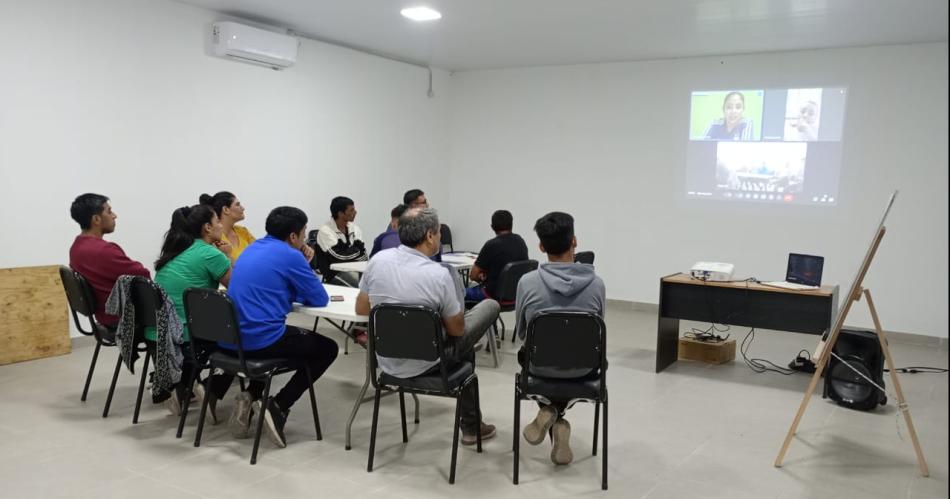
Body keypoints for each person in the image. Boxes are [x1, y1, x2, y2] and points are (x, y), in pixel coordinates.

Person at [356, 208, 500, 446]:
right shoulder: (439, 275)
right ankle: (472, 426)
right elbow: (456, 331)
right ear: (431, 236)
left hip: (386, 362)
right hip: (431, 362)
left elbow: (362, 310)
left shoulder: (377, 261)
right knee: (489, 307)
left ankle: (473, 425)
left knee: (461, 343)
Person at [223, 206, 338, 447]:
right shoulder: (290, 255)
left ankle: (251, 394)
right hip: (260, 341)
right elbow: (319, 298)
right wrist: (303, 263)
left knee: (293, 343)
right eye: (304, 232)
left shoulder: (251, 249)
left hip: (230, 339)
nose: (305, 238)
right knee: (326, 348)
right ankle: (278, 406)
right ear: (294, 236)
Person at [514, 211, 606, 466]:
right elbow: (597, 333)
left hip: (539, 365)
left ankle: (551, 412)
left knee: (542, 356)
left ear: (541, 246)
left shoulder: (527, 282)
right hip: (585, 369)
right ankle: (556, 418)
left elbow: (523, 333)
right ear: (574, 241)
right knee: (574, 356)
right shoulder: (597, 284)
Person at [150, 204, 234, 415]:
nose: (220, 226)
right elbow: (238, 289)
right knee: (245, 340)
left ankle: (184, 387)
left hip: (162, 330)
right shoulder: (211, 254)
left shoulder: (176, 249)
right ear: (207, 227)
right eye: (217, 221)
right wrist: (227, 256)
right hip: (188, 332)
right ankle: (210, 388)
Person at [68, 193, 150, 329]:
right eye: (109, 211)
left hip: (104, 315)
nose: (114, 216)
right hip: (123, 318)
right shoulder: (103, 250)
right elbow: (144, 276)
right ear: (96, 219)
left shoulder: (76, 247)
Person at [465, 210, 529, 302]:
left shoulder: (491, 245)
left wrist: (483, 277)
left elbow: (473, 275)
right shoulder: (520, 241)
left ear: (492, 227)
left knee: (460, 293)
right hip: (516, 296)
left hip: (492, 296)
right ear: (511, 224)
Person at [315, 196, 367, 286]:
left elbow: (364, 256)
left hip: (356, 272)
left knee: (375, 282)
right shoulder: (325, 231)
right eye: (351, 210)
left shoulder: (355, 228)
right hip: (333, 275)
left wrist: (350, 253)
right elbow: (338, 258)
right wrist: (357, 251)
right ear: (340, 213)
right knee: (362, 287)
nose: (355, 212)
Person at [199, 191, 255, 261]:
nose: (243, 208)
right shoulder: (214, 238)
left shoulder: (243, 231)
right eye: (237, 204)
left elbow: (260, 253)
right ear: (226, 209)